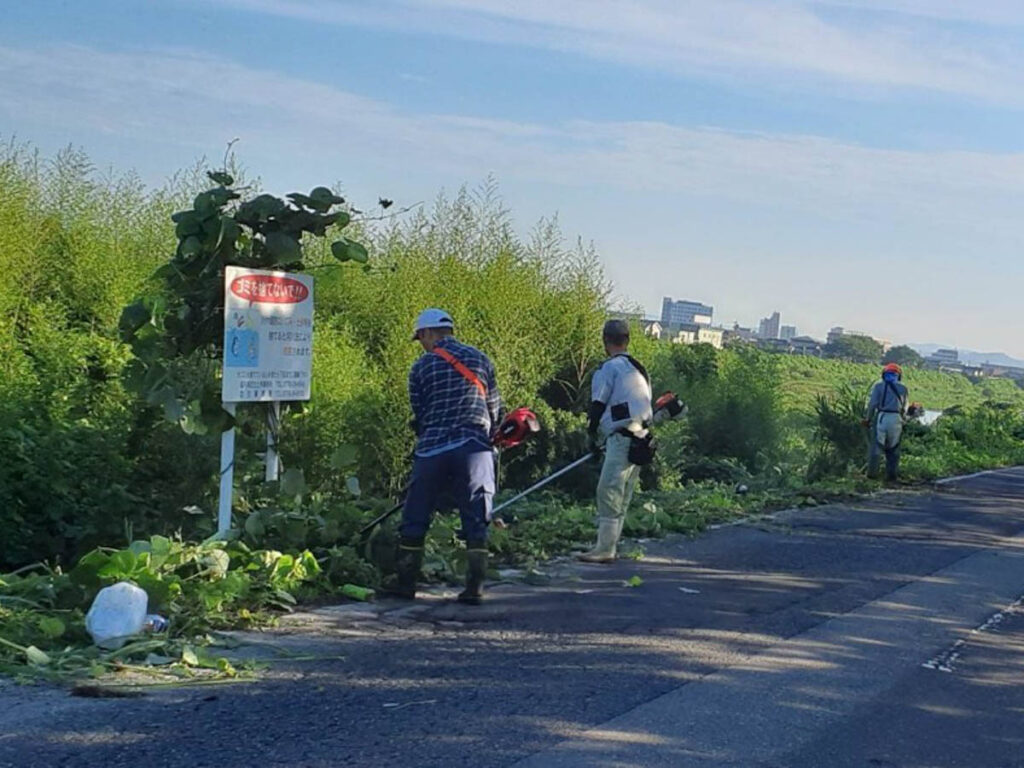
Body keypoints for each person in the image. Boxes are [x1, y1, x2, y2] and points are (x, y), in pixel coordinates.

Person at [386, 308, 504, 605]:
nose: (421, 344)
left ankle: (405, 583)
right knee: (476, 516)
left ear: (427, 334)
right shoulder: (480, 359)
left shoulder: (421, 367)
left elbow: (420, 413)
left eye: (420, 338)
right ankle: (474, 587)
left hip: (433, 448)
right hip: (474, 447)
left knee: (416, 515)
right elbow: (494, 407)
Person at [579, 319, 653, 563]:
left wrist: (591, 433)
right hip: (642, 437)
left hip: (622, 438)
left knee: (609, 490)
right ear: (627, 340)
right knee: (623, 493)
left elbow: (598, 403)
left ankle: (604, 550)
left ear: (605, 341)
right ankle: (610, 545)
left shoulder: (608, 369)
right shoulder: (638, 369)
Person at [864, 362, 909, 481]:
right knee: (894, 449)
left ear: (883, 375)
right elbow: (904, 408)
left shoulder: (878, 387)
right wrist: (904, 421)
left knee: (876, 448)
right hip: (896, 419)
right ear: (899, 376)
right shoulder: (903, 389)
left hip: (882, 417)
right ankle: (891, 476)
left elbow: (872, 404)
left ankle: (872, 475)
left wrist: (867, 419)